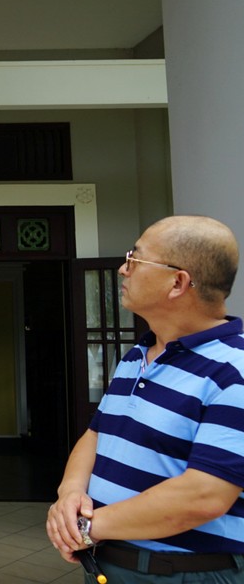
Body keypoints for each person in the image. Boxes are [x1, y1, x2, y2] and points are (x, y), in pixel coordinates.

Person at [46, 215, 244, 582]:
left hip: (184, 573)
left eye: (134, 259)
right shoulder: (137, 356)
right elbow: (97, 434)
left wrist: (88, 527)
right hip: (108, 564)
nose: (123, 270)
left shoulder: (234, 369)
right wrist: (70, 493)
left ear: (177, 282)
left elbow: (203, 496)